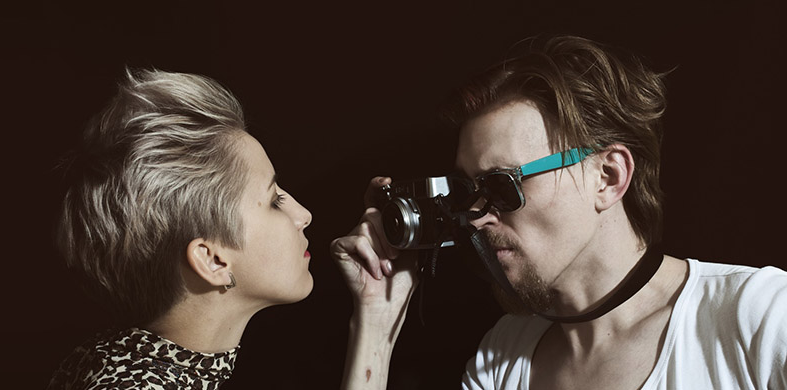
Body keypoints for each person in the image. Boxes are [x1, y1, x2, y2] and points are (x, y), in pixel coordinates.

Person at [331, 35, 787, 389]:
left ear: (607, 177)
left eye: (501, 185)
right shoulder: (503, 357)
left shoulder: (760, 317)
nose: (476, 214)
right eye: (470, 190)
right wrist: (374, 322)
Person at [49, 69, 313, 389]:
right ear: (212, 260)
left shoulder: (125, 363)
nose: (303, 215)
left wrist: (375, 313)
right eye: (274, 201)